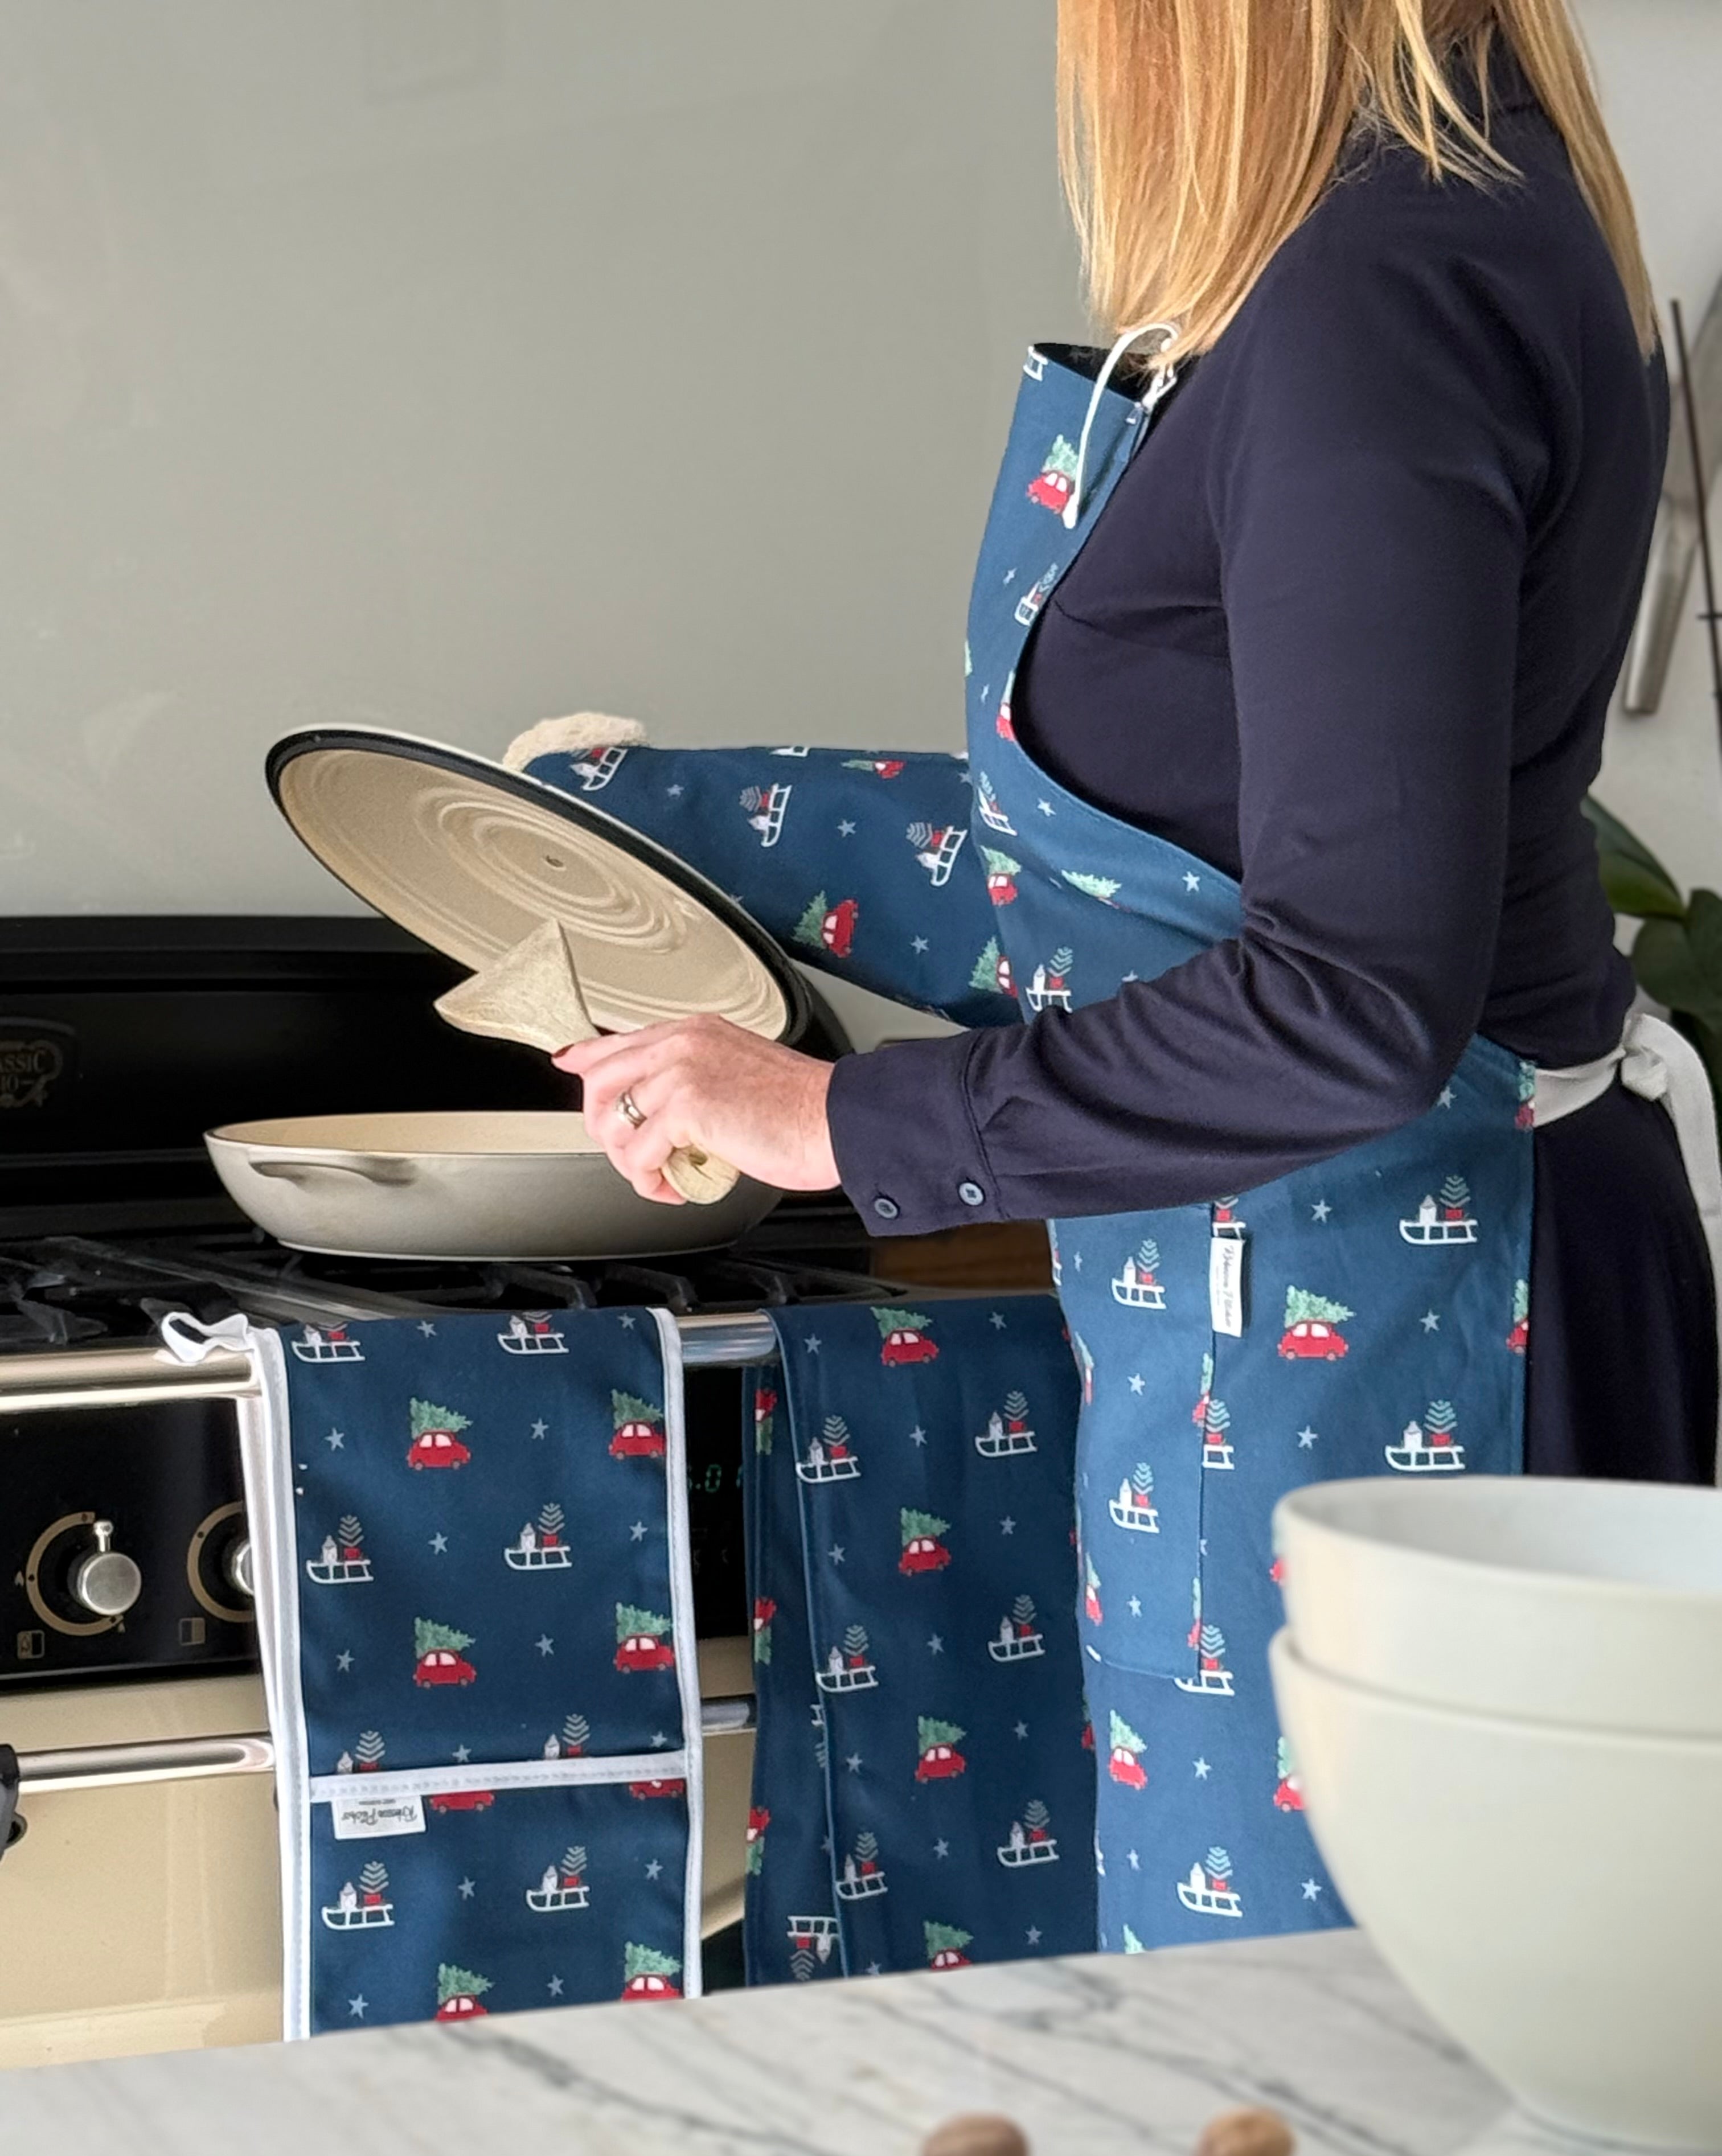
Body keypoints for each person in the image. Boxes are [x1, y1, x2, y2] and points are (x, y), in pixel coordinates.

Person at [555, 0, 1719, 1950]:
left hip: (1391, 1327)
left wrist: (835, 1118)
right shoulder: (1451, 220)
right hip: (1329, 1306)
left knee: (1343, 2110)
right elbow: (1160, 862)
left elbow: (1344, 995)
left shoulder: (1380, 291)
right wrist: (663, 812)